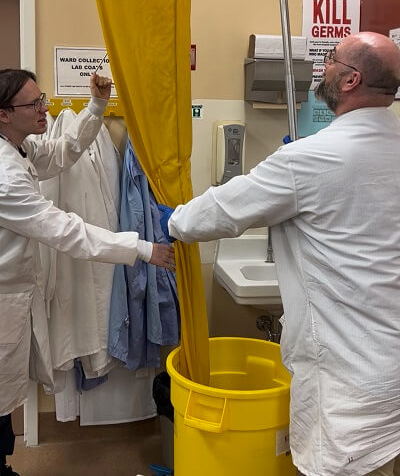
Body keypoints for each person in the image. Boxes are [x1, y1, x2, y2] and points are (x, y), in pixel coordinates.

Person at [160, 32, 400, 476]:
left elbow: (219, 213)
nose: (321, 67)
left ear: (350, 80)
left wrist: (172, 220)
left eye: (329, 59)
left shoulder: (310, 159)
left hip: (346, 383)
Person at [0, 69, 175, 476]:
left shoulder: (18, 148)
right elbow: (65, 231)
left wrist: (97, 105)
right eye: (34, 104)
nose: (44, 108)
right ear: (4, 114)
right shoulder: (6, 177)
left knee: (4, 395)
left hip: (13, 294)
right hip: (4, 297)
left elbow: (61, 151)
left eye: (41, 98)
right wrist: (141, 247)